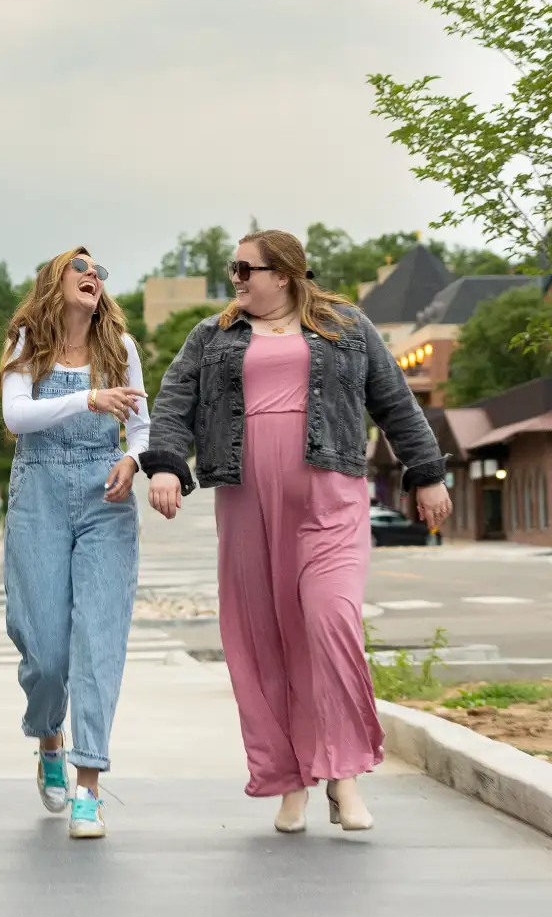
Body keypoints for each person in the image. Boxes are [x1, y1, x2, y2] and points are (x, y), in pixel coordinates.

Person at [141, 228, 451, 834]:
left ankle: (344, 774)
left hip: (329, 500)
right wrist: (167, 465)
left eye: (245, 268)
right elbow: (175, 402)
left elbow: (395, 403)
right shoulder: (212, 335)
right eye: (233, 268)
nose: (235, 278)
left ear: (282, 273)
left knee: (331, 625)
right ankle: (289, 780)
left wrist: (427, 473)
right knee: (263, 640)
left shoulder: (347, 326)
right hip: (246, 502)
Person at [0, 248, 149, 840]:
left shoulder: (120, 348)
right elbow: (17, 417)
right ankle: (49, 739)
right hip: (37, 491)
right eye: (80, 268)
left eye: (99, 272)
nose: (93, 277)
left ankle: (89, 788)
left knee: (98, 643)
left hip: (104, 495)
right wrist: (88, 398)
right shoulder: (27, 343)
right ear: (53, 282)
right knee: (45, 653)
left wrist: (133, 460)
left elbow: (140, 425)